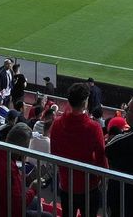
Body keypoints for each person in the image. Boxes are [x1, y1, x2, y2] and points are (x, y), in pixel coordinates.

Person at [53, 82, 108, 217]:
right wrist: (103, 177)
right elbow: (101, 156)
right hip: (89, 186)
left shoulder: (57, 123)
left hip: (66, 183)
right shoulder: (94, 128)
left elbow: (54, 153)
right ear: (85, 102)